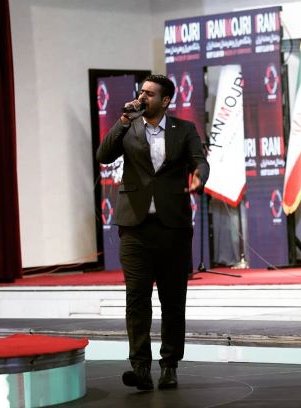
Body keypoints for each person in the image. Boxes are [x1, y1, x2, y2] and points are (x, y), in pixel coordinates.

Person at [96, 74, 209, 390]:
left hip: (173, 227)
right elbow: (103, 155)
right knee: (137, 298)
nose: (142, 97)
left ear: (165, 100)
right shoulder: (129, 126)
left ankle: (169, 365)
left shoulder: (184, 129)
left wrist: (199, 176)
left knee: (173, 300)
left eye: (149, 93)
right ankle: (140, 367)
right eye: (141, 92)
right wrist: (122, 120)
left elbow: (199, 161)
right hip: (135, 227)